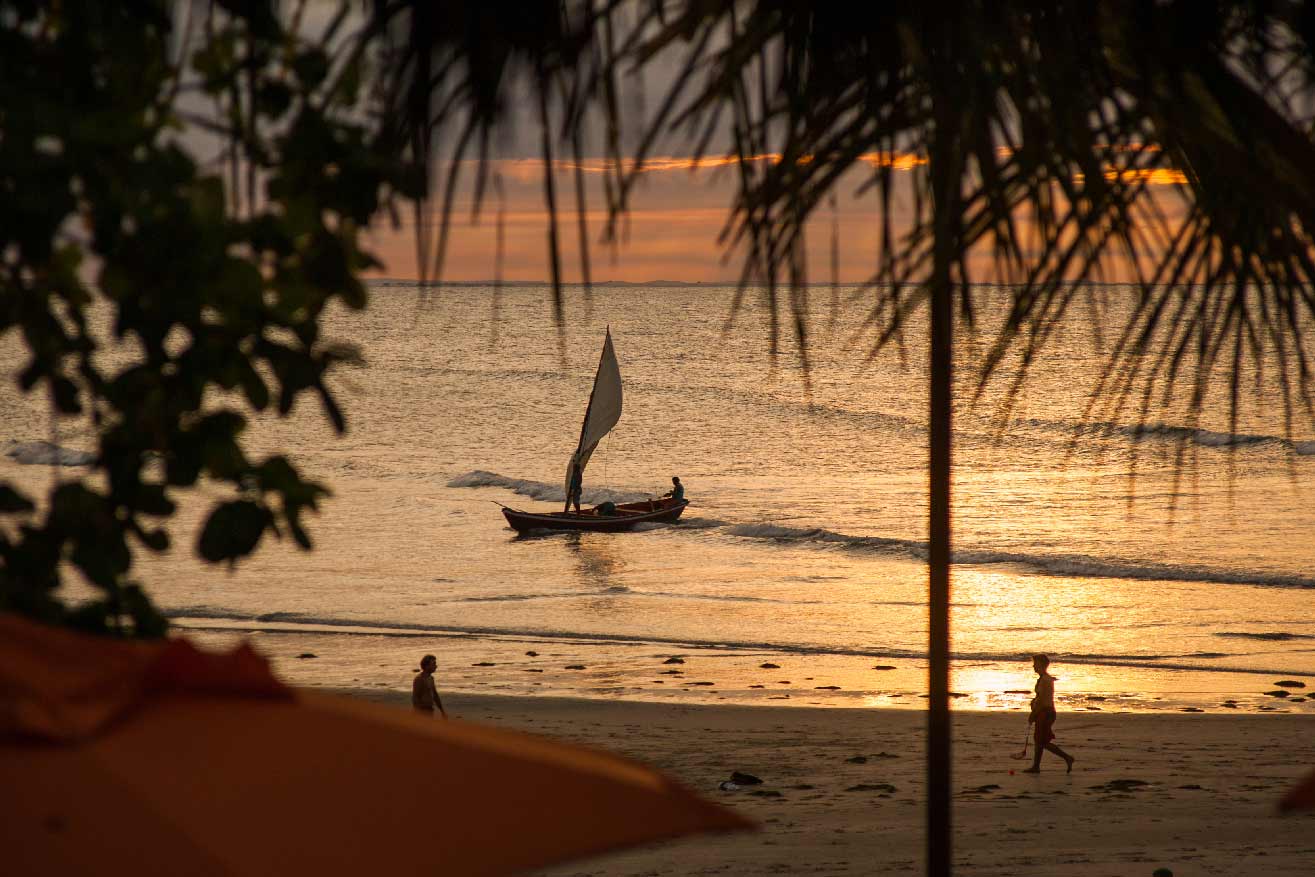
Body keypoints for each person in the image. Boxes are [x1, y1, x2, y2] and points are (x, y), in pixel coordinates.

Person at [1024, 653, 1074, 773]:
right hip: (1045, 712)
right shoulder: (1045, 678)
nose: (1033, 666)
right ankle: (1036, 766)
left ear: (1041, 665)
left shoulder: (1045, 680)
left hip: (1045, 713)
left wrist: (1033, 714)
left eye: (1035, 664)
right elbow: (1040, 698)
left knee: (1042, 742)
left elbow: (1042, 701)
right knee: (1039, 740)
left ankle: (1067, 757)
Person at [412, 654, 448, 719]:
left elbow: (435, 695)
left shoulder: (431, 678)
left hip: (430, 710)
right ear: (426, 666)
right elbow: (415, 698)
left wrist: (442, 711)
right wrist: (417, 715)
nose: (436, 666)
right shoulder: (419, 679)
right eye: (433, 664)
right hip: (422, 711)